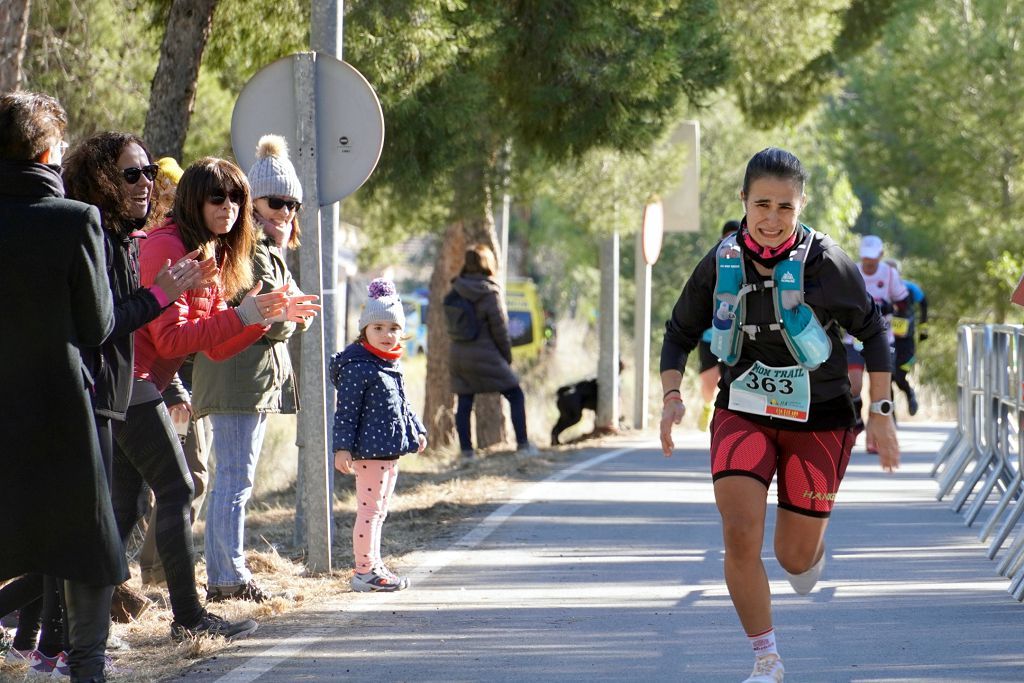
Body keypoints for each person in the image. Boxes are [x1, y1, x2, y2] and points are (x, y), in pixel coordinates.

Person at [659, 147, 899, 683]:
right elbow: (678, 332)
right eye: (761, 204)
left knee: (794, 560)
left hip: (821, 415)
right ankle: (767, 658)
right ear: (744, 201)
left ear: (801, 206)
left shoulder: (826, 262)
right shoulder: (720, 261)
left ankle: (809, 544)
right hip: (743, 407)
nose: (772, 218)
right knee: (740, 532)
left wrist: (880, 411)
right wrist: (672, 396)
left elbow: (876, 331)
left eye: (785, 207)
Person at [111, 157, 312, 642]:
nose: (229, 207)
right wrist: (243, 315)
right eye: (217, 197)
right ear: (193, 201)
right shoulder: (166, 246)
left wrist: (262, 316)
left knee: (122, 512)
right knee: (179, 489)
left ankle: (39, 617)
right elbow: (172, 340)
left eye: (237, 198)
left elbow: (215, 346)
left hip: (142, 386)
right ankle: (189, 618)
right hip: (124, 381)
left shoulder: (212, 253)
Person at [0, 89, 120, 683]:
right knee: (86, 542)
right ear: (48, 150)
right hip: (59, 403)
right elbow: (98, 324)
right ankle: (87, 671)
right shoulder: (76, 219)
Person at [192, 135, 318, 603]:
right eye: (275, 202)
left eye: (292, 204)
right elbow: (268, 317)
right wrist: (284, 318)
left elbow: (282, 315)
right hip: (236, 379)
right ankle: (227, 578)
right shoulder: (251, 249)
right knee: (233, 481)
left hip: (248, 380)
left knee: (234, 480)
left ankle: (229, 573)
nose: (285, 212)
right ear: (252, 201)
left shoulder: (265, 248)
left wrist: (284, 316)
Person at [331, 279, 427, 592]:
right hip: (369, 452)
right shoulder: (358, 366)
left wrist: (417, 430)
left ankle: (374, 563)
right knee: (369, 510)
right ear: (364, 331)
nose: (387, 335)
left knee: (380, 510)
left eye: (393, 328)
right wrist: (342, 447)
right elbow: (345, 412)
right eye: (378, 328)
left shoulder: (390, 364)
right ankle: (364, 572)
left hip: (389, 450)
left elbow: (403, 405)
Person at [447, 244, 538, 459]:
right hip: (486, 354)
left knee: (465, 401)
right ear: (488, 263)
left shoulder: (455, 290)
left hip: (458, 355)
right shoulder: (489, 292)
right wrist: (506, 357)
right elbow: (500, 330)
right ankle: (523, 445)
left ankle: (467, 453)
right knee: (515, 393)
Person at [845, 234, 909, 451]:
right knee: (854, 384)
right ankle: (856, 419)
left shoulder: (889, 274)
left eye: (872, 258)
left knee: (878, 391)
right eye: (865, 258)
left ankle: (875, 439)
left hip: (882, 338)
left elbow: (903, 302)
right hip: (853, 338)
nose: (869, 263)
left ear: (881, 255)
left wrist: (892, 309)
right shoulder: (852, 271)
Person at [696, 219, 742, 431]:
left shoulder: (749, 265)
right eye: (727, 238)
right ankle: (707, 406)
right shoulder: (711, 263)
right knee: (709, 383)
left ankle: (727, 418)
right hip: (709, 335)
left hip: (736, 336)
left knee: (732, 382)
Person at [885, 258, 928, 416]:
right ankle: (890, 414)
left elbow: (924, 303)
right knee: (886, 377)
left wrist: (924, 328)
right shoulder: (880, 288)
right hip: (886, 340)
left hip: (906, 341)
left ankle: (910, 394)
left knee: (899, 374)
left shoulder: (909, 287)